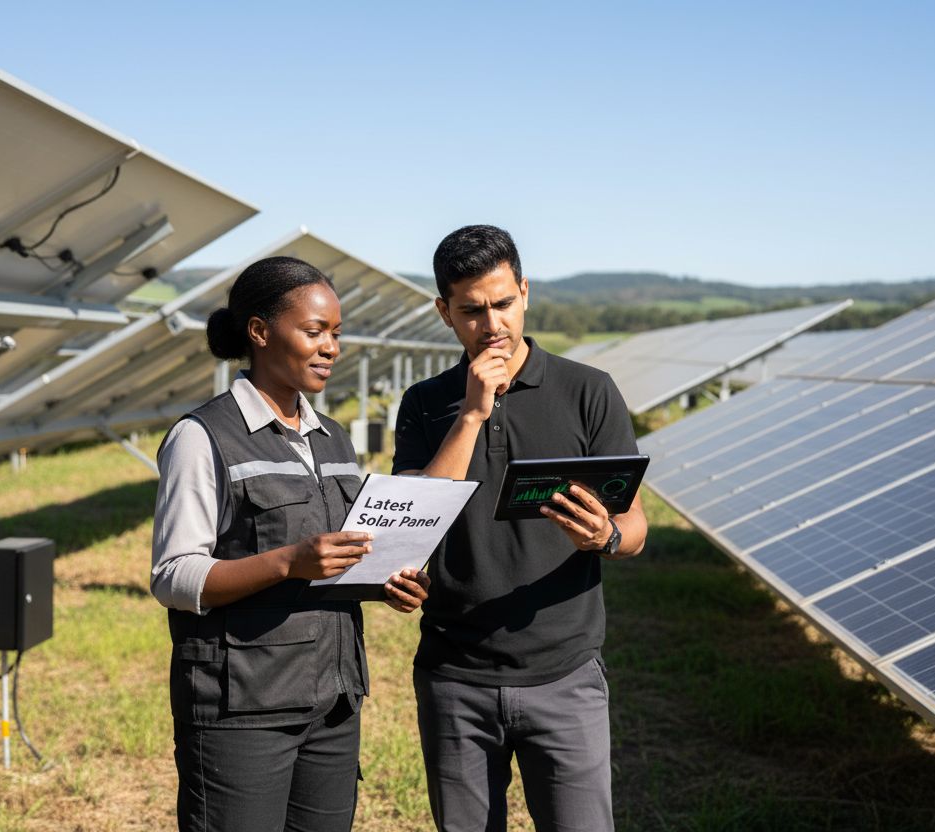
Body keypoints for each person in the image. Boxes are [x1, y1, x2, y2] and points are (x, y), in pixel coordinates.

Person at [151, 255, 431, 832]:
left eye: (336, 333)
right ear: (259, 331)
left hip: (333, 700)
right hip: (242, 708)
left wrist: (384, 581)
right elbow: (174, 577)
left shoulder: (335, 440)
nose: (330, 347)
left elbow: (336, 559)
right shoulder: (201, 437)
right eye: (314, 331)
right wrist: (289, 562)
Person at [393, 225, 647, 831]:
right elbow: (414, 520)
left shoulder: (588, 390)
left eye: (503, 303)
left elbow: (635, 524)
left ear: (525, 293)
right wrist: (474, 412)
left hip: (565, 675)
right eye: (472, 311)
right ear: (444, 313)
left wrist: (604, 537)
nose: (492, 325)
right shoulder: (426, 404)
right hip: (455, 677)